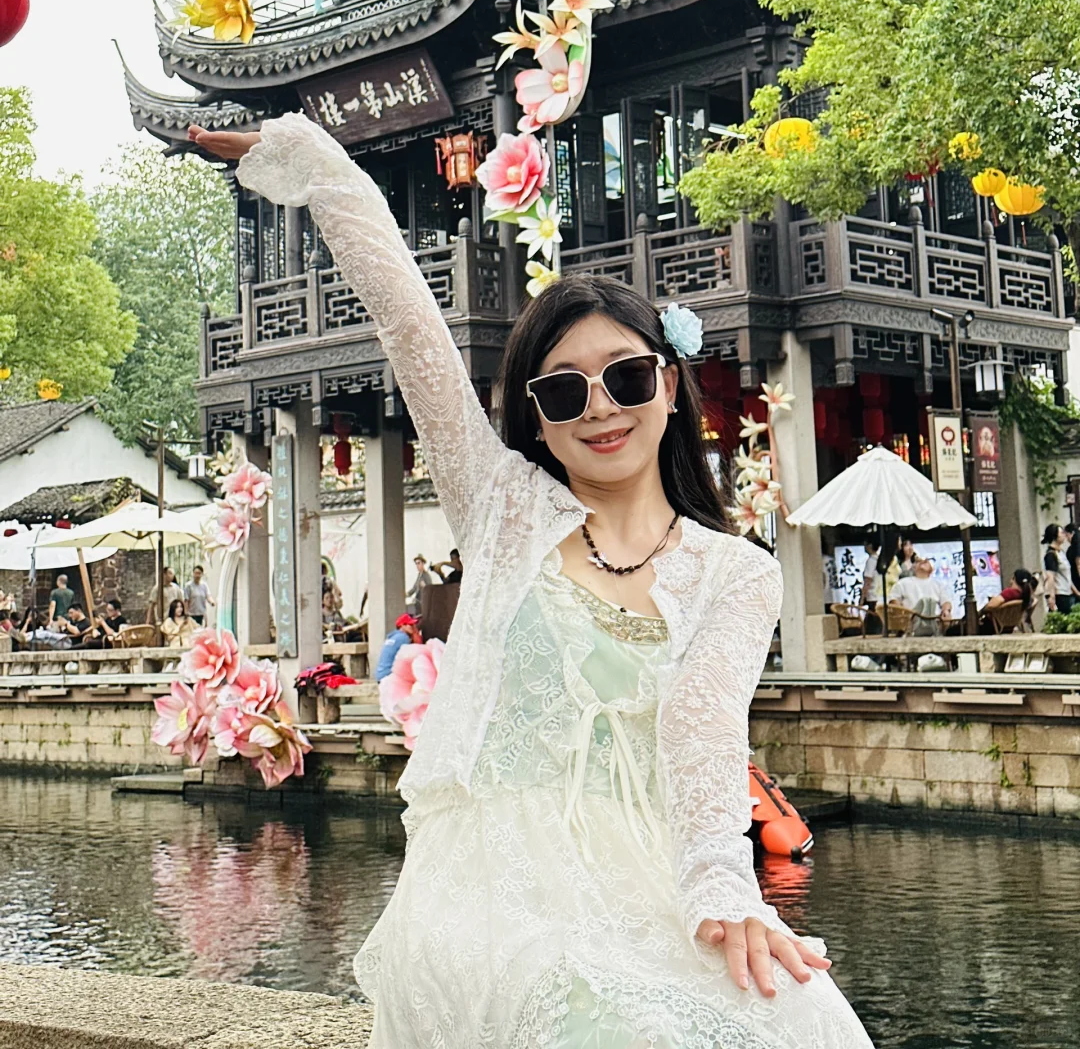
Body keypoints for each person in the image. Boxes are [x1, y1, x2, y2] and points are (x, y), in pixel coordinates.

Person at [191, 112, 872, 1049]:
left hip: (640, 878)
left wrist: (725, 888)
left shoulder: (735, 574)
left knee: (804, 1018)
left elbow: (704, 739)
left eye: (626, 379)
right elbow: (409, 324)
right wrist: (320, 168)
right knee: (585, 1016)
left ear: (670, 388)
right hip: (488, 886)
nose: (601, 409)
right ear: (537, 417)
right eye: (562, 391)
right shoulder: (502, 510)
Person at [887, 558, 953, 632]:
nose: (923, 562)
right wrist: (902, 616)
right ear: (913, 567)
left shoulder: (938, 585)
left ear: (932, 569)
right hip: (910, 624)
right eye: (919, 562)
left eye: (926, 561)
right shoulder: (902, 583)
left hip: (935, 623)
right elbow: (894, 601)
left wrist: (946, 611)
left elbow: (946, 602)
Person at [374, 612, 422, 682]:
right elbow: (412, 656)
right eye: (410, 625)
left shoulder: (392, 637)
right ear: (402, 625)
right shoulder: (403, 638)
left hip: (381, 675)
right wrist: (416, 635)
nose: (413, 627)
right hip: (389, 676)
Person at [1041, 524, 1075, 615]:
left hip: (1067, 593)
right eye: (1062, 533)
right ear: (1055, 536)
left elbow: (1067, 576)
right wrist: (1052, 597)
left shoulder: (1061, 552)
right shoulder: (1051, 555)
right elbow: (1050, 577)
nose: (1064, 535)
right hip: (1059, 594)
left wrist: (1076, 592)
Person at [858, 536, 883, 608]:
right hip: (879, 595)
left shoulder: (871, 561)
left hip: (872, 597)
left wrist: (862, 599)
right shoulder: (879, 559)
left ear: (870, 546)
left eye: (865, 544)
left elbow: (868, 581)